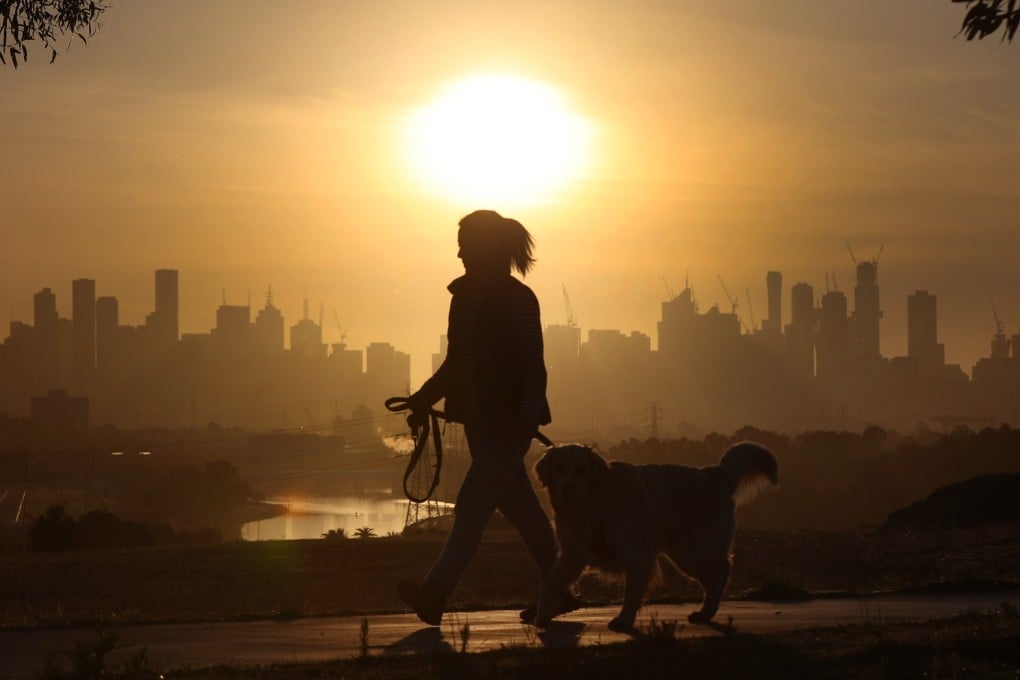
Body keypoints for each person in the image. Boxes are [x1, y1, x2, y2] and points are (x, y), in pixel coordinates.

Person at [396, 209, 579, 625]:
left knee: (473, 508)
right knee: (526, 513)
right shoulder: (463, 299)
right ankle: (561, 592)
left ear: (485, 247)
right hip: (480, 424)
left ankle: (435, 592)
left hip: (509, 427)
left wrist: (526, 417)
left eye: (465, 242)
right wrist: (424, 397)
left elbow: (535, 367)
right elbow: (456, 362)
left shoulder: (519, 300)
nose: (458, 251)